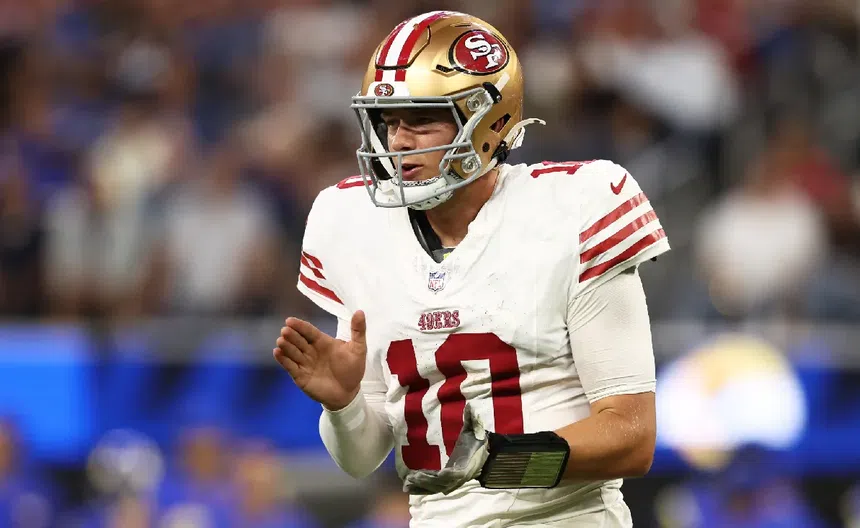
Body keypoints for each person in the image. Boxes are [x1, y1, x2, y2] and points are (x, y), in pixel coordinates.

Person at [274, 10, 669, 527]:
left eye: (421, 120)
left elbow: (632, 438)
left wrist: (500, 463)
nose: (399, 141)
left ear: (489, 120)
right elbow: (361, 459)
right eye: (389, 121)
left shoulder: (577, 207)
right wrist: (344, 405)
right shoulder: (351, 224)